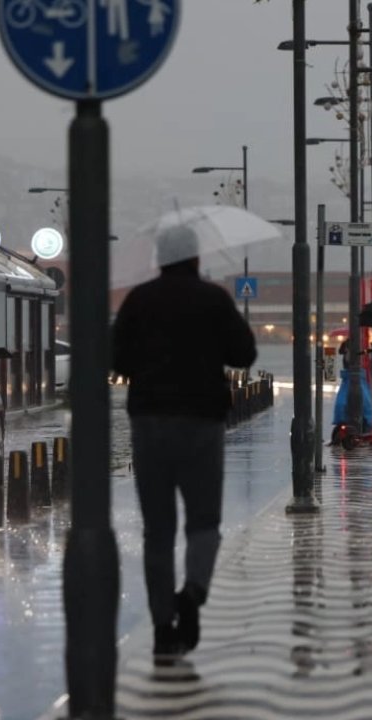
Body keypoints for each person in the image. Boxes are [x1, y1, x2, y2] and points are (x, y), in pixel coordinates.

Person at [112, 225, 257, 663]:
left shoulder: (138, 300)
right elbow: (244, 354)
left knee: (158, 530)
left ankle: (161, 627)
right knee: (203, 522)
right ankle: (193, 593)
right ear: (195, 258)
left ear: (160, 258)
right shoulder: (213, 300)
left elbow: (117, 360)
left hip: (150, 422)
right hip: (201, 422)